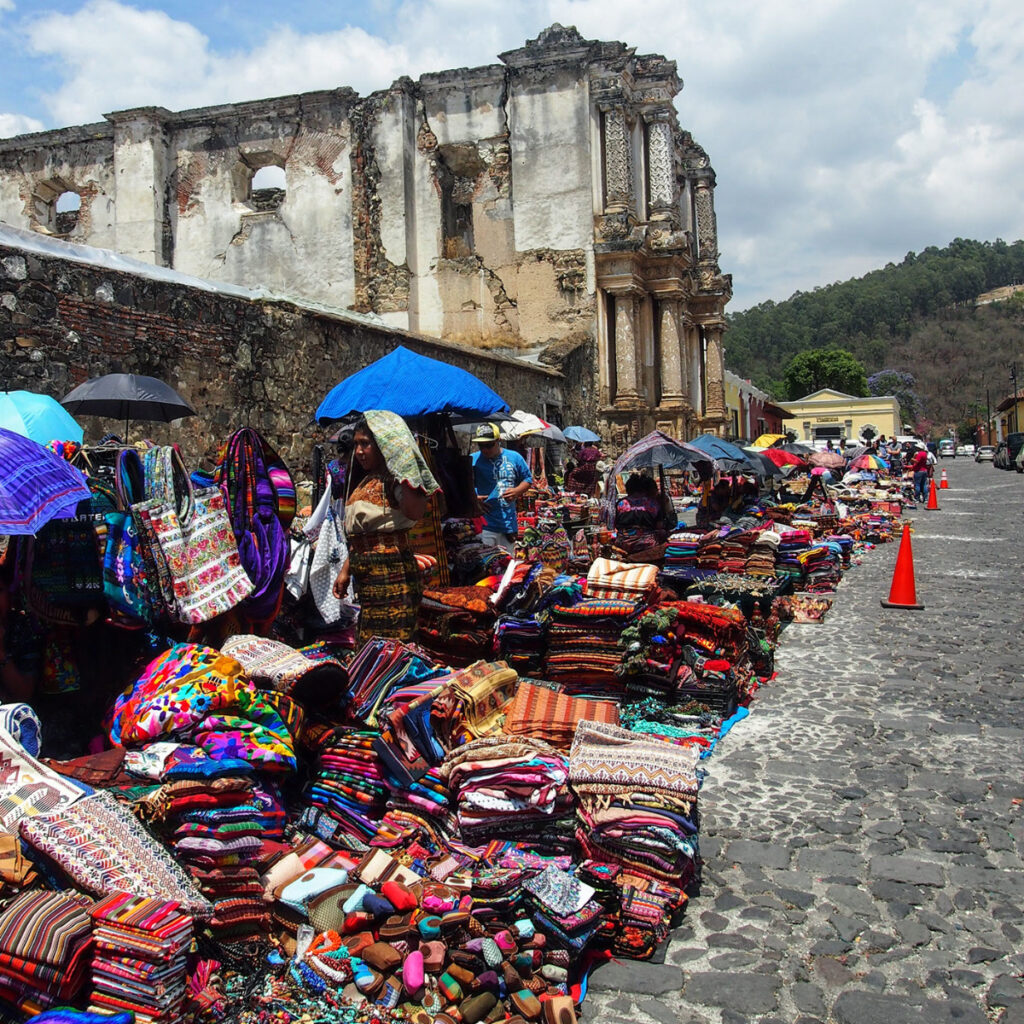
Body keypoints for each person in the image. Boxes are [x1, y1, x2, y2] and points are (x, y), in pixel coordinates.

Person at [332, 410, 439, 640]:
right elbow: (363, 536)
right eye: (356, 444)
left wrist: (405, 465)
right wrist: (345, 571)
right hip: (368, 580)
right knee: (370, 642)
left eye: (366, 444)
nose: (359, 451)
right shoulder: (366, 480)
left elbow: (415, 511)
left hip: (393, 578)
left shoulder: (396, 481)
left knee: (391, 645)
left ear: (383, 444)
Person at [471, 424, 532, 554]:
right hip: (485, 524)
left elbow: (527, 479)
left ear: (499, 441)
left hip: (508, 523)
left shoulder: (514, 457)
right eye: (481, 446)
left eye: (489, 445)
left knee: (508, 564)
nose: (485, 450)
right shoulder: (473, 460)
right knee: (486, 564)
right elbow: (463, 486)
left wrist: (517, 491)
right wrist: (473, 499)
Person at [614, 474, 667, 554]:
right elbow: (659, 526)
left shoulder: (620, 503)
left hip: (624, 543)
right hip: (647, 544)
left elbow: (614, 524)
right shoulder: (653, 503)